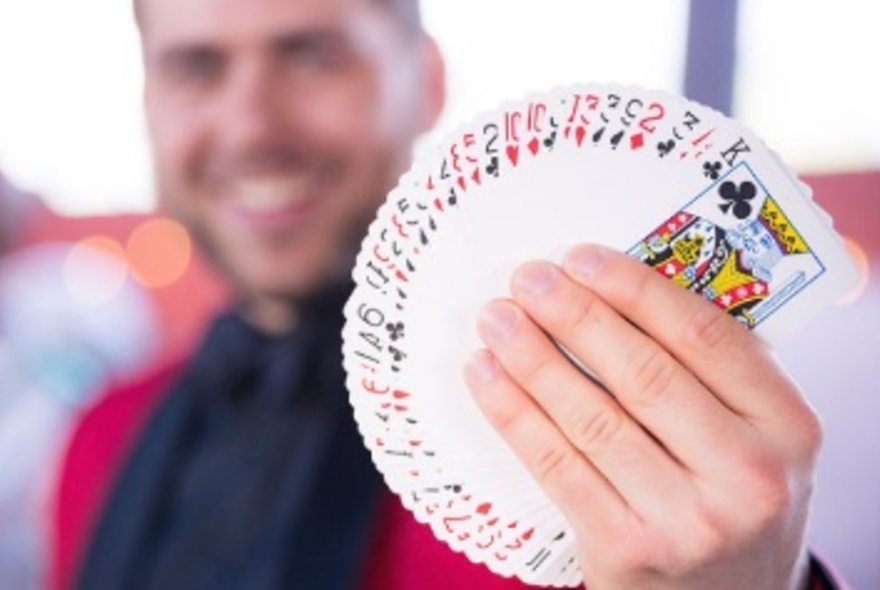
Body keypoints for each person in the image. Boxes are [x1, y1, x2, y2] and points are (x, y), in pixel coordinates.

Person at [50, 0, 845, 588]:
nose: (251, 124)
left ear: (426, 81)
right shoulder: (95, 438)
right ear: (149, 103)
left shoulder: (624, 460)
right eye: (197, 67)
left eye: (310, 55)